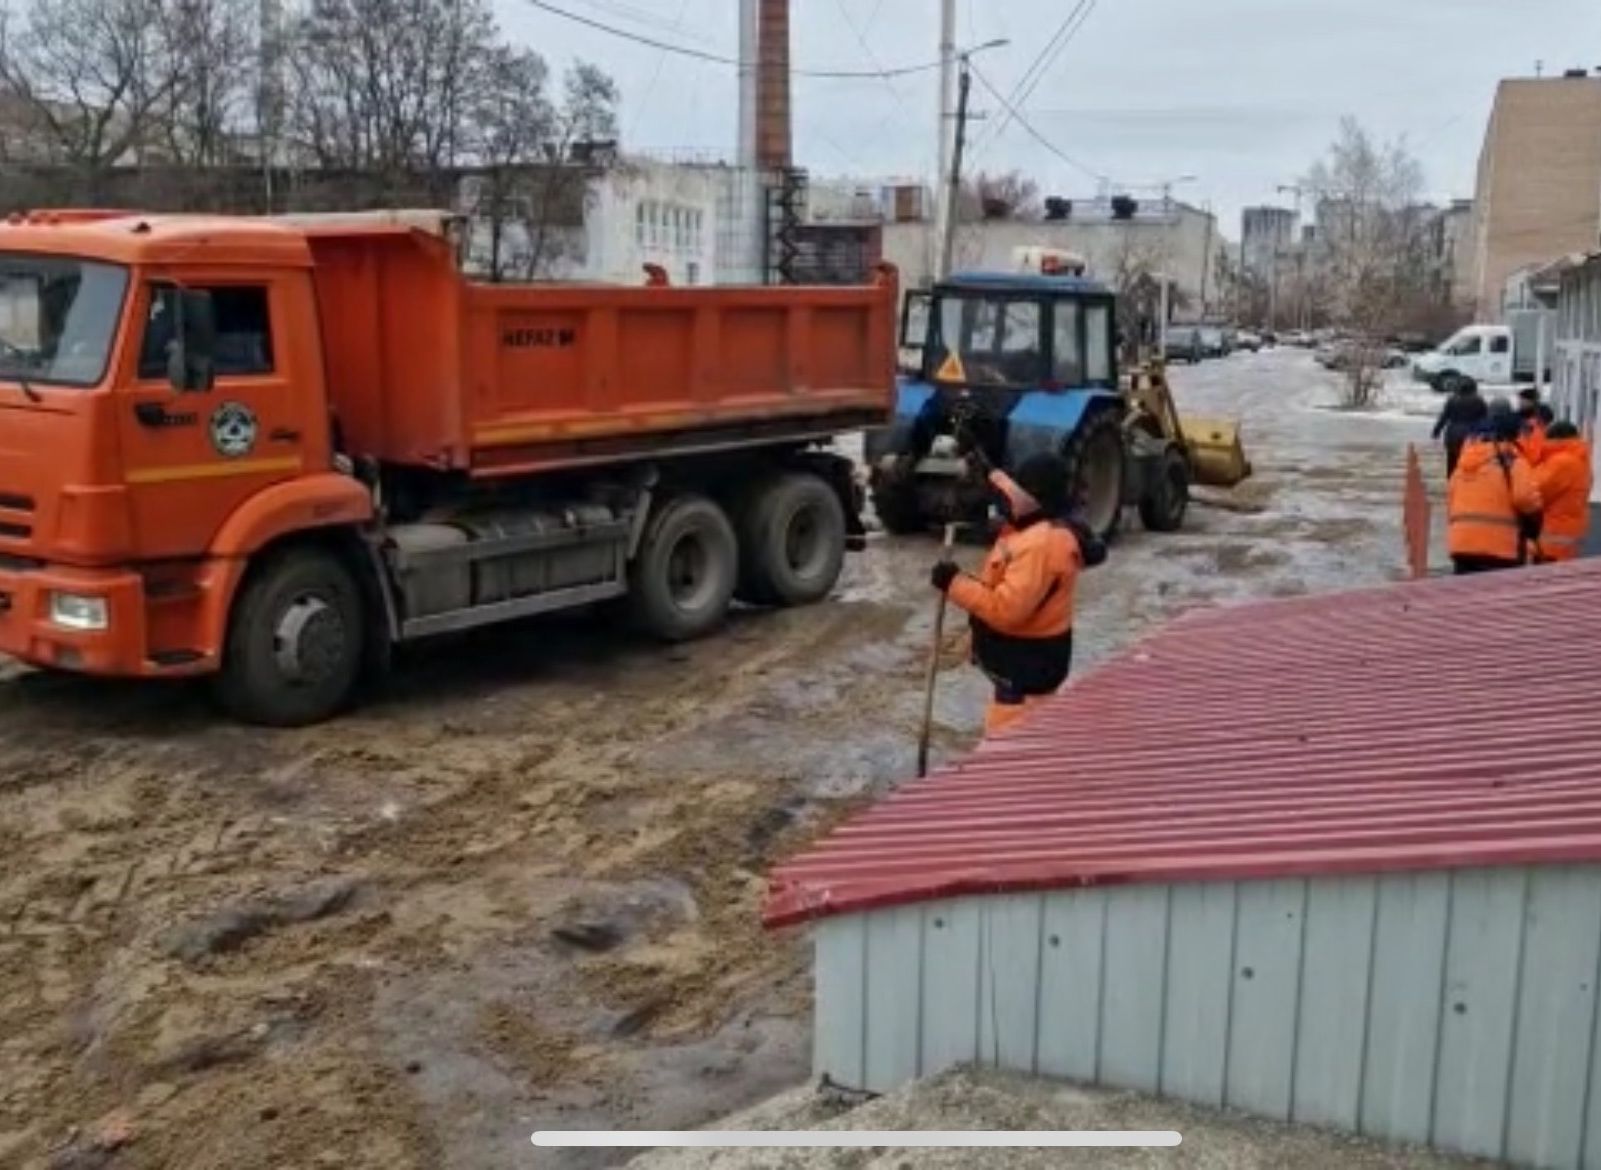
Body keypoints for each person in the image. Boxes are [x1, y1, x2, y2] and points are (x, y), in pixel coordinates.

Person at [930, 452, 1096, 737]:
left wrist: (954, 584)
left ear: (1036, 495)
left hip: (1023, 680)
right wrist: (984, 476)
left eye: (1019, 488)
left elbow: (1008, 610)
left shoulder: (1041, 546)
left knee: (1008, 753)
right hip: (1025, 670)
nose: (1012, 494)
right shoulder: (1038, 528)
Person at [1447, 399, 1543, 574]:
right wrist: (1536, 518)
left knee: (1465, 597)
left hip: (1461, 544)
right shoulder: (1513, 461)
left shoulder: (1464, 462)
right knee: (1496, 598)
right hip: (1499, 547)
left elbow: (1451, 496)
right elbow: (1525, 498)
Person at [1529, 421, 1593, 563]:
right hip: (1568, 534)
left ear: (1555, 439)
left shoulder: (1561, 463)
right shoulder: (1581, 461)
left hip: (1553, 538)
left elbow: (1534, 491)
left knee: (1543, 581)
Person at [1431, 379, 1487, 477]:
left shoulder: (1452, 400)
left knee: (1452, 460)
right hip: (1471, 436)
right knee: (1469, 460)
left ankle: (1451, 481)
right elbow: (1486, 419)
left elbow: (1444, 417)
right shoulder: (1479, 401)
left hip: (1453, 435)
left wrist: (1436, 431)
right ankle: (1466, 483)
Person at [1517, 386, 1554, 464]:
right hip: (1524, 456)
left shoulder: (1542, 417)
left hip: (1540, 456)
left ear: (1532, 401)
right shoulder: (1519, 416)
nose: (1520, 403)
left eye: (1523, 400)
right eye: (1520, 400)